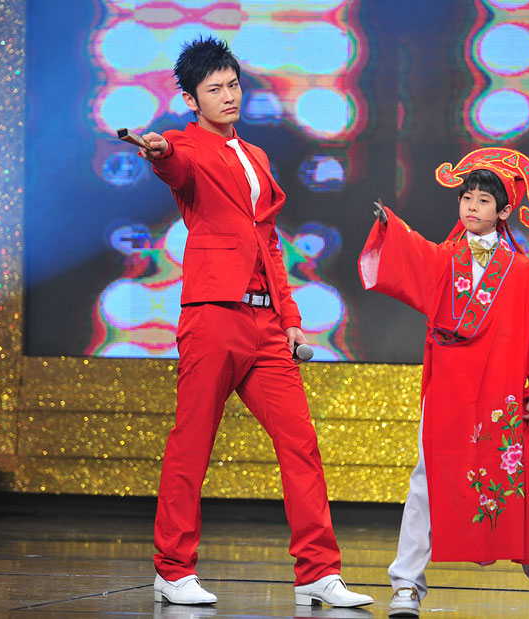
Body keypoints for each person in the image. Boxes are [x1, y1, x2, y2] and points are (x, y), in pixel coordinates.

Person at [137, 35, 372, 609]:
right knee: (192, 443)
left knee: (300, 443)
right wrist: (159, 152)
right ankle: (173, 570)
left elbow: (269, 242)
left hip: (266, 323)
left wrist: (290, 317)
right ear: (191, 100)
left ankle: (317, 572)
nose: (228, 96)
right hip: (213, 315)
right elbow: (173, 165)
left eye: (233, 85)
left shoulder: (257, 156)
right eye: (214, 89)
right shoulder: (183, 145)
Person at [358, 148, 529, 619]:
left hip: (500, 394)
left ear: (505, 211)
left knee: (521, 484)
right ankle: (406, 585)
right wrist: (392, 227)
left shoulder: (524, 273)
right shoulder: (442, 259)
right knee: (427, 480)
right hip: (448, 389)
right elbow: (411, 254)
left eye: (483, 200)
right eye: (466, 198)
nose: (471, 206)